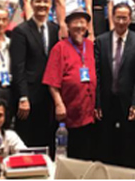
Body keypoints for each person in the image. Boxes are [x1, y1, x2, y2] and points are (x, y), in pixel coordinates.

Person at [94, 3, 135, 168]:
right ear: (112, 18)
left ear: (130, 19)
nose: (121, 21)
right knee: (106, 142)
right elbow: (97, 74)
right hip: (106, 100)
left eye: (125, 18)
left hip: (128, 101)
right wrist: (97, 103)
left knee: (128, 144)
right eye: (118, 17)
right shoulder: (101, 40)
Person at [9, 0, 59, 152]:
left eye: (45, 1)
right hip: (29, 96)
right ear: (31, 3)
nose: (42, 5)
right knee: (28, 140)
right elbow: (18, 67)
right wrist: (23, 96)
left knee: (47, 138)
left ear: (51, 5)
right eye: (38, 1)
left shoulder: (55, 29)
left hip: (49, 94)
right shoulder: (20, 31)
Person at [43, 9, 96, 160]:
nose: (79, 26)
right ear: (68, 26)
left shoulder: (91, 46)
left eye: (82, 22)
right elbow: (52, 81)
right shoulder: (59, 48)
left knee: (87, 155)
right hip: (68, 113)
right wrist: (59, 104)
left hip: (89, 112)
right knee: (70, 156)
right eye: (75, 22)